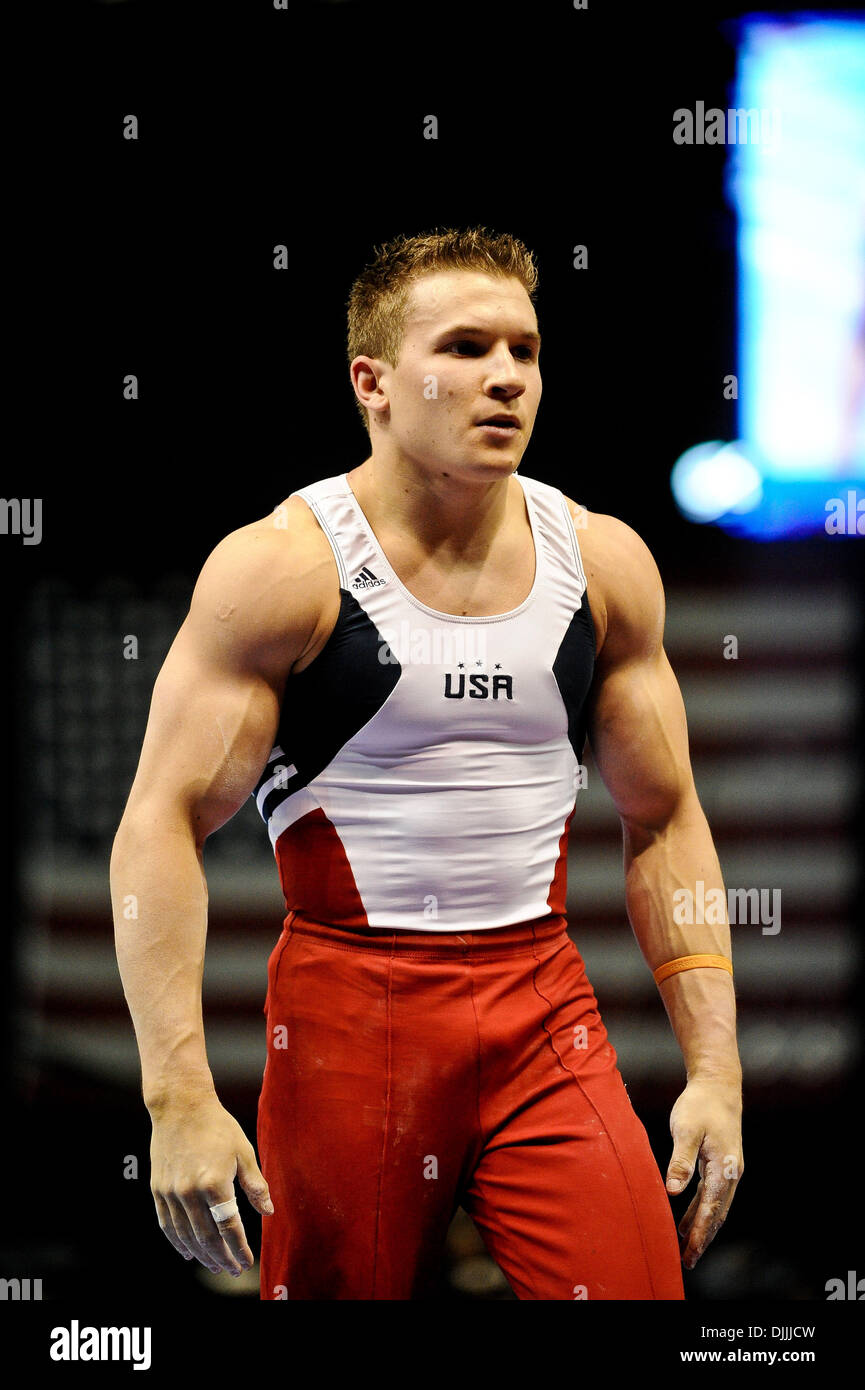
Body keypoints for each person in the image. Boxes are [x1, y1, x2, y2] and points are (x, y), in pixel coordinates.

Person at [111, 228, 743, 1301]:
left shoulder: (602, 564)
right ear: (373, 383)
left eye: (525, 350)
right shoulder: (284, 572)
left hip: (542, 1001)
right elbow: (159, 824)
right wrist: (175, 1096)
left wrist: (715, 1070)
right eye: (462, 347)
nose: (505, 377)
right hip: (349, 1013)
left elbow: (666, 818)